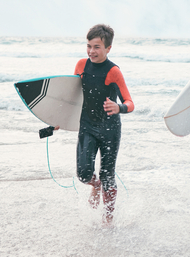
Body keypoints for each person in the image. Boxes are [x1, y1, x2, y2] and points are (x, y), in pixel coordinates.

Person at [58, 24, 135, 226]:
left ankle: (107, 220)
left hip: (110, 129)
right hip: (88, 127)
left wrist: (119, 108)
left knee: (108, 174)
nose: (91, 51)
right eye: (89, 46)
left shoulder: (113, 72)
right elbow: (72, 97)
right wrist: (58, 118)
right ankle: (95, 185)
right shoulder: (81, 66)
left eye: (97, 47)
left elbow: (130, 103)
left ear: (108, 48)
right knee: (83, 174)